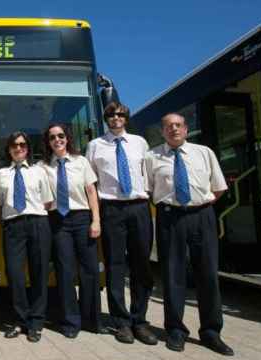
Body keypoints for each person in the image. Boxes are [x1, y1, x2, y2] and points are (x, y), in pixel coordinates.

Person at [144, 113, 233, 356]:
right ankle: (175, 330)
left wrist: (198, 206)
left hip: (202, 216)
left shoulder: (204, 152)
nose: (173, 129)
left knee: (208, 275)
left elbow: (218, 187)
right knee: (173, 275)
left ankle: (211, 332)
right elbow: (149, 190)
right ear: (162, 131)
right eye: (168, 126)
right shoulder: (151, 157)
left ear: (185, 129)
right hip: (170, 218)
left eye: (178, 125)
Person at [85, 102, 157, 345]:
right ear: (105, 119)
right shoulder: (95, 146)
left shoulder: (140, 143)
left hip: (139, 207)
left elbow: (148, 175)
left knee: (141, 264)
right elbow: (90, 182)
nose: (115, 118)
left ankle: (140, 320)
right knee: (115, 265)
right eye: (111, 115)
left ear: (126, 117)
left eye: (120, 114)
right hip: (111, 209)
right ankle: (121, 322)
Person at [39, 123, 102, 339]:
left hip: (83, 218)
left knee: (90, 270)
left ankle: (92, 319)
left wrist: (96, 221)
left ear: (67, 139)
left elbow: (91, 191)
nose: (57, 140)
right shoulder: (43, 166)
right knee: (65, 272)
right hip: (58, 221)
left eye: (61, 136)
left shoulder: (81, 161)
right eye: (52, 137)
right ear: (48, 142)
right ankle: (70, 321)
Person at [0, 131, 53, 343]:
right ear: (8, 149)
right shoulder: (1, 174)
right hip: (13, 226)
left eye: (22, 145)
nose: (18, 148)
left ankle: (36, 323)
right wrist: (11, 222)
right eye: (14, 145)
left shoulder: (39, 172)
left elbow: (47, 202)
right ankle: (20, 320)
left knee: (39, 273)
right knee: (15, 275)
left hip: (38, 223)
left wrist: (31, 216)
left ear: (28, 148)